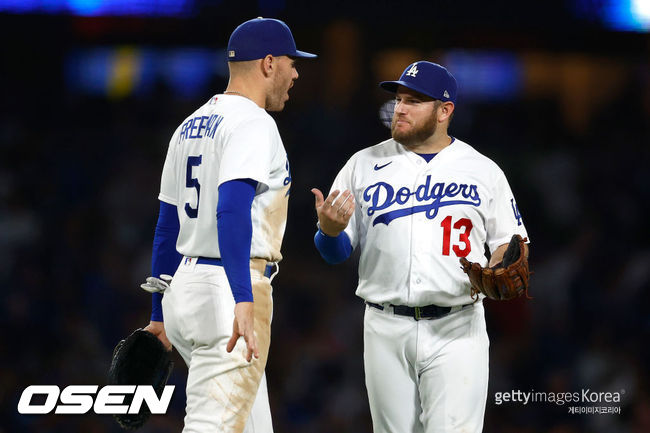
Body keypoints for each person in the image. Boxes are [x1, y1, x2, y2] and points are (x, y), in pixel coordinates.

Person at [311, 61, 529, 433]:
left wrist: (497, 264)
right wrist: (328, 231)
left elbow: (510, 246)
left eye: (414, 100)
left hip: (457, 326)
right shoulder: (362, 164)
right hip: (384, 324)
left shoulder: (483, 170)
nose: (400, 108)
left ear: (445, 111)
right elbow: (336, 252)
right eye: (398, 99)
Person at [139, 17, 316, 433]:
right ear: (268, 63)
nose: (296, 72)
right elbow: (232, 209)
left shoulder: (189, 125)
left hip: (185, 287)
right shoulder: (254, 122)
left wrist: (159, 311)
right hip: (229, 288)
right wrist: (242, 297)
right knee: (211, 427)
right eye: (291, 62)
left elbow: (167, 226)